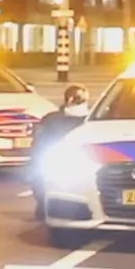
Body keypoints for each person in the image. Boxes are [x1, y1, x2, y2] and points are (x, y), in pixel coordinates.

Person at [30, 83, 90, 220]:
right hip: (53, 156)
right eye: (78, 99)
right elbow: (37, 141)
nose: (81, 103)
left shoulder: (90, 120)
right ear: (69, 100)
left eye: (81, 100)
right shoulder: (51, 119)